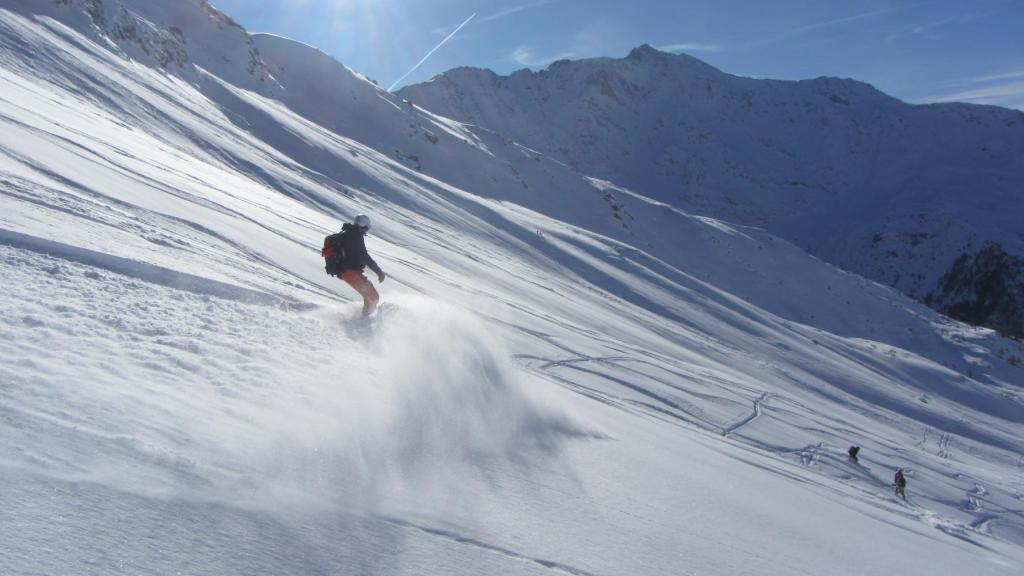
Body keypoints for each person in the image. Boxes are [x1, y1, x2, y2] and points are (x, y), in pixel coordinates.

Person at [325, 214, 386, 315]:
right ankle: (364, 322)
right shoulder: (355, 236)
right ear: (365, 226)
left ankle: (362, 318)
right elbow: (365, 256)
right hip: (350, 272)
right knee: (373, 297)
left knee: (371, 296)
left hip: (349, 272)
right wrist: (379, 272)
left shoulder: (349, 233)